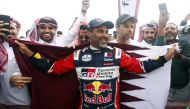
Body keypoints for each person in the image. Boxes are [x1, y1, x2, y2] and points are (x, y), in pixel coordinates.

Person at [15, 18, 175, 109]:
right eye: (100, 31)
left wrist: (164, 58)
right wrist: (31, 54)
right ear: (90, 33)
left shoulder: (117, 53)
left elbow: (142, 68)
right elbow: (52, 69)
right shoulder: (78, 55)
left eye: (106, 32)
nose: (105, 35)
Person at [156, 13, 190, 104]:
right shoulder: (159, 44)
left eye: (172, 28)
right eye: (166, 29)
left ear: (178, 32)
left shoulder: (184, 43)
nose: (169, 30)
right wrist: (162, 24)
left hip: (179, 91)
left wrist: (180, 56)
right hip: (160, 89)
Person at [0, 16, 31, 109]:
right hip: (2, 100)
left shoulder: (26, 46)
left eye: (12, 28)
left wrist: (17, 75)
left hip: (21, 101)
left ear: (18, 30)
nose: (9, 31)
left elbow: (32, 66)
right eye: (6, 28)